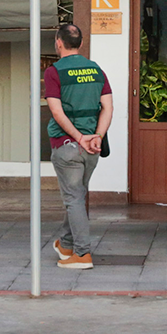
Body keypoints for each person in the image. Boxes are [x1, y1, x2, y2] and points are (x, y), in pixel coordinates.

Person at [45, 23, 113, 270]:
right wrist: (96, 135)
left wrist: (77, 137)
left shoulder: (54, 72)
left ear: (58, 43)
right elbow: (108, 107)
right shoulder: (96, 70)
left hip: (67, 146)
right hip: (92, 147)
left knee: (73, 198)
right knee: (77, 196)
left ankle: (82, 254)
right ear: (81, 44)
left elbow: (56, 110)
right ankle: (65, 244)